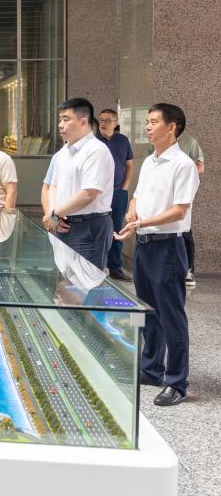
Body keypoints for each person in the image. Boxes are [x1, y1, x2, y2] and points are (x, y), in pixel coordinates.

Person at [115, 103, 199, 407]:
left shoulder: (183, 165)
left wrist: (142, 223)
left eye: (153, 122)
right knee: (148, 311)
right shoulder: (150, 161)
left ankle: (177, 383)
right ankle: (151, 370)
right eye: (147, 122)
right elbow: (137, 196)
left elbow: (179, 210)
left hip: (168, 247)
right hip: (145, 245)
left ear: (171, 127)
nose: (147, 127)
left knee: (171, 316)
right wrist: (132, 212)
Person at [43, 98, 114, 271]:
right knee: (65, 279)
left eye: (66, 119)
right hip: (64, 223)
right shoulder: (64, 151)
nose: (60, 125)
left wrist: (55, 215)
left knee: (83, 282)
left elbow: (88, 193)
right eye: (60, 119)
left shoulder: (95, 150)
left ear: (83, 122)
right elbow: (53, 185)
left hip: (88, 227)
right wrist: (53, 213)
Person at [146, 133, 204, 288]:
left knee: (184, 231)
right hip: (160, 193)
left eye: (154, 122)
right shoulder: (154, 144)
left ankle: (189, 271)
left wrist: (179, 173)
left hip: (180, 192)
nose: (149, 127)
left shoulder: (190, 142)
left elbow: (200, 166)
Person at [96, 108, 133, 280]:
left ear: (116, 122)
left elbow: (129, 165)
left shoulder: (123, 141)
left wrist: (125, 187)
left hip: (118, 193)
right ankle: (96, 267)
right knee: (98, 229)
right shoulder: (93, 142)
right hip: (97, 194)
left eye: (108, 120)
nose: (103, 123)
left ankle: (115, 268)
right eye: (101, 120)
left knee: (116, 229)